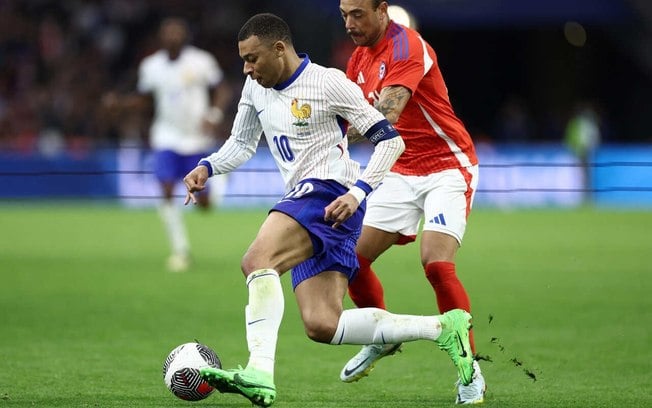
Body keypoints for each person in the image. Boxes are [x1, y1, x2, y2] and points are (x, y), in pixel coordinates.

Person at [182, 13, 475, 407]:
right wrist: (207, 166)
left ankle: (259, 373)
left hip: (328, 191)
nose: (247, 70)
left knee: (257, 260)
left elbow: (390, 142)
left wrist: (358, 192)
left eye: (252, 59)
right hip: (316, 204)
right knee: (323, 324)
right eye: (243, 61)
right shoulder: (256, 90)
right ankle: (442, 327)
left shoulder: (328, 82)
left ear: (279, 49)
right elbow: (242, 144)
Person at [338, 1, 486, 404]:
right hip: (400, 171)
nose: (350, 23)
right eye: (344, 14)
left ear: (382, 10)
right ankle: (381, 337)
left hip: (446, 166)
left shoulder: (407, 47)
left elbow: (387, 113)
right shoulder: (358, 58)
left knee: (436, 264)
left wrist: (332, 136)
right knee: (350, 260)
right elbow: (350, 119)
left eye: (358, 14)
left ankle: (469, 370)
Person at [104, 18, 233, 272]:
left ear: (185, 35)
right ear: (161, 37)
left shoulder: (201, 61)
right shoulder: (151, 66)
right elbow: (144, 100)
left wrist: (214, 115)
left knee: (205, 206)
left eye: (177, 32)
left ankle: (218, 185)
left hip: (197, 139)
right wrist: (120, 104)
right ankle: (180, 250)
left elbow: (223, 89)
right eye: (168, 32)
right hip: (166, 137)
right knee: (164, 189)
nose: (173, 36)